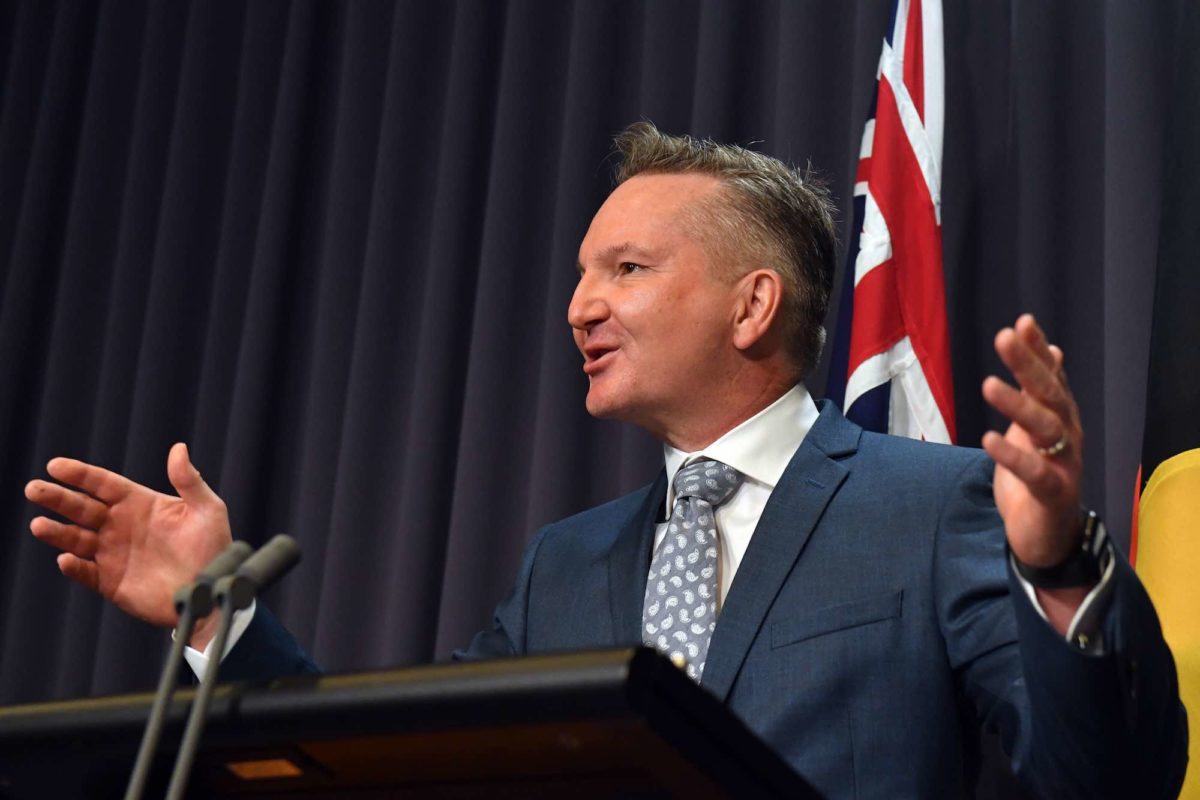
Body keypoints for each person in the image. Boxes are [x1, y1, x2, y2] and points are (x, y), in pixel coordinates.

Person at [25, 123, 1187, 798]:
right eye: (582, 272)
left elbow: (1109, 781)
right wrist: (213, 608)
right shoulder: (563, 565)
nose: (579, 303)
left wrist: (1065, 572)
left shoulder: (928, 505)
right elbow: (399, 770)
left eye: (624, 269)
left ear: (752, 304)